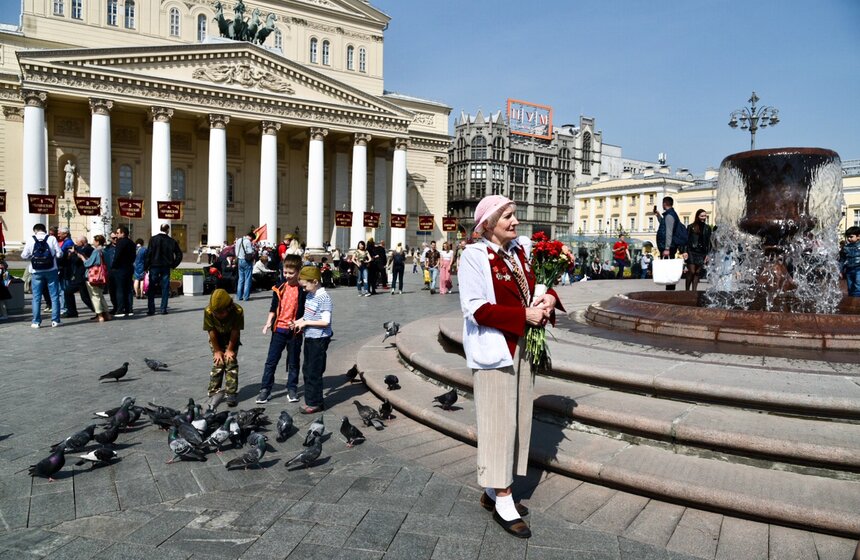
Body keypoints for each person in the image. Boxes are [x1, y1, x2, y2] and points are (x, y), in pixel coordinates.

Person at [457, 195, 562, 539]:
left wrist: (547, 299)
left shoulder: (519, 252)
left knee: (517, 420)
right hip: (496, 348)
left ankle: (495, 488)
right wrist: (524, 315)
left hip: (522, 346)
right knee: (497, 422)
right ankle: (503, 496)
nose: (516, 221)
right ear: (487, 224)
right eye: (508, 217)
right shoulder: (474, 256)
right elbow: (476, 308)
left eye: (515, 215)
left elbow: (537, 286)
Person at [257, 254, 305, 404]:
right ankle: (265, 389)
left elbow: (307, 311)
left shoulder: (303, 290)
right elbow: (273, 308)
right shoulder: (279, 288)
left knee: (293, 361)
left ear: (298, 272)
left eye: (291, 273)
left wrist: (299, 323)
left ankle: (292, 388)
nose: (287, 276)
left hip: (295, 332)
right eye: (285, 272)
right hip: (278, 330)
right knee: (271, 361)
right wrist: (268, 323)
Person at [292, 265, 333, 415]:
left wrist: (306, 323)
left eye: (305, 286)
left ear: (315, 282)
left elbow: (325, 322)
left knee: (314, 370)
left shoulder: (324, 298)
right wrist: (298, 321)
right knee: (307, 369)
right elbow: (308, 316)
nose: (303, 289)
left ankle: (315, 403)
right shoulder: (310, 295)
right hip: (310, 336)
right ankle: (312, 400)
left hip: (319, 338)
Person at [203, 288, 244, 407]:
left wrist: (230, 349)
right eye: (216, 313)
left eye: (221, 313)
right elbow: (211, 331)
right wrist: (217, 351)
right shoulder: (209, 311)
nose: (218, 315)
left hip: (231, 337)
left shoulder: (237, 311)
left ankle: (231, 392)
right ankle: (213, 391)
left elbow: (236, 331)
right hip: (216, 338)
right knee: (218, 362)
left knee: (230, 362)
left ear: (229, 307)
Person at [21, 223, 63, 328]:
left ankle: (36, 322)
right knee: (54, 296)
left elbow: (23, 255)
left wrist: (32, 256)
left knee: (36, 297)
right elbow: (59, 254)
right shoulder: (52, 238)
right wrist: (52, 256)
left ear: (35, 230)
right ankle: (55, 320)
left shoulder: (31, 239)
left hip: (36, 271)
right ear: (45, 230)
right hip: (51, 270)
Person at [145, 224, 183, 315]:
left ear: (160, 229)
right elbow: (179, 254)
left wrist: (146, 266)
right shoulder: (171, 241)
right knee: (165, 288)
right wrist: (174, 264)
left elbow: (149, 254)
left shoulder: (153, 239)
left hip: (154, 266)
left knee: (152, 288)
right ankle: (163, 309)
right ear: (168, 230)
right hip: (166, 267)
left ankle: (151, 309)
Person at [76, 234, 111, 322]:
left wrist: (82, 257)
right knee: (100, 296)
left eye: (94, 241)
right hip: (102, 276)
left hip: (94, 276)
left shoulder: (96, 251)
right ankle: (107, 314)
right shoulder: (105, 251)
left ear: (98, 242)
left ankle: (100, 315)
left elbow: (88, 264)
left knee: (95, 297)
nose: (93, 243)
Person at [654, 196, 686, 291]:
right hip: (667, 246)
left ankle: (670, 289)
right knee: (668, 267)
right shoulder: (669, 215)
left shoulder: (670, 215)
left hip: (668, 247)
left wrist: (667, 248)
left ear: (664, 204)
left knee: (668, 268)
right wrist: (658, 216)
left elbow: (669, 232)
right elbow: (664, 224)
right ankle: (669, 288)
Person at [63, 235, 95, 318]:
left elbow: (76, 260)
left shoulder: (88, 249)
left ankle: (99, 311)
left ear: (82, 243)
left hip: (82, 276)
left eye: (77, 243)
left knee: (85, 297)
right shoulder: (83, 249)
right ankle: (72, 312)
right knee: (70, 292)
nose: (76, 245)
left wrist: (74, 253)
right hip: (79, 276)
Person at [111, 225, 136, 317]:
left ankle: (120, 309)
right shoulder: (132, 243)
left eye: (117, 233)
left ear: (122, 233)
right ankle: (129, 309)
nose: (116, 235)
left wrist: (113, 266)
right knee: (128, 289)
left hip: (120, 268)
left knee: (120, 289)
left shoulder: (120, 242)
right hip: (129, 267)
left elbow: (117, 256)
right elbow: (134, 256)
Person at [685, 209, 712, 292]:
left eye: (705, 216)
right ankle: (687, 290)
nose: (704, 217)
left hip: (702, 253)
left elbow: (709, 242)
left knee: (697, 272)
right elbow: (686, 239)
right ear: (697, 216)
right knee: (692, 271)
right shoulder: (691, 226)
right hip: (691, 251)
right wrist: (685, 251)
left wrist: (708, 254)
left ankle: (694, 291)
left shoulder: (707, 228)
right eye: (702, 216)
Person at [235, 230, 256, 301]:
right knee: (247, 279)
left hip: (239, 260)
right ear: (251, 237)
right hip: (246, 261)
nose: (252, 240)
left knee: (240, 279)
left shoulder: (239, 240)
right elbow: (250, 252)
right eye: (252, 239)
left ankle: (239, 296)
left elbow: (236, 251)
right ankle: (246, 296)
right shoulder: (248, 242)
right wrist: (253, 250)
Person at [840, 226, 860, 297]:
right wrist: (840, 271)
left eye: (851, 237)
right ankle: (851, 300)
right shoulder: (846, 248)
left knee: (858, 286)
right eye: (848, 237)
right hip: (849, 270)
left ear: (858, 236)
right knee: (850, 287)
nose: (849, 239)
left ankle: (857, 301)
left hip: (858, 269)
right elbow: (842, 260)